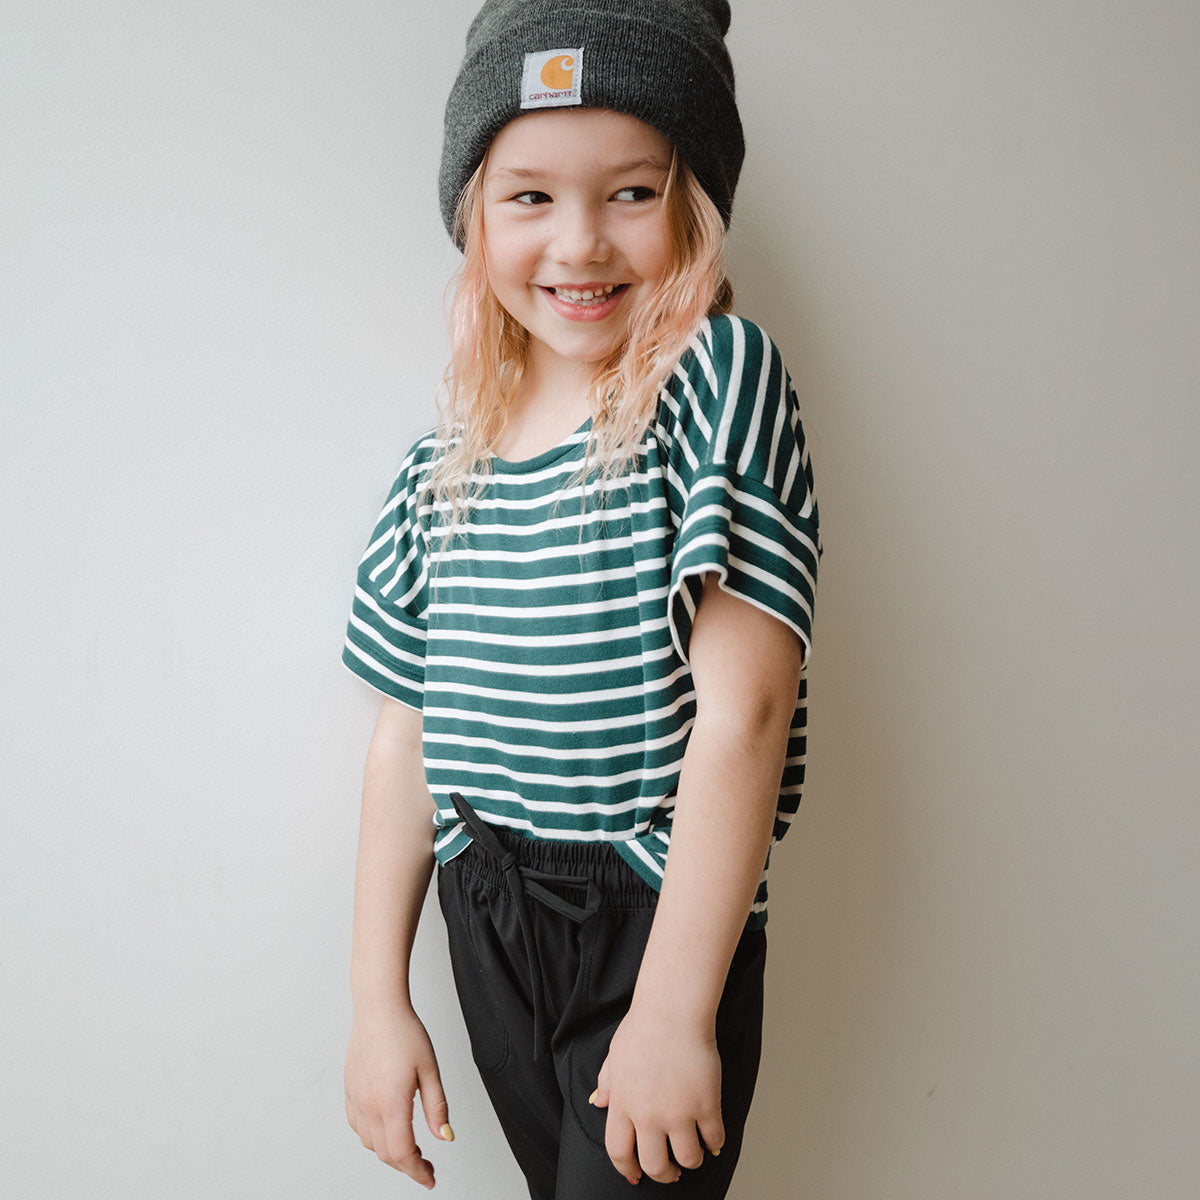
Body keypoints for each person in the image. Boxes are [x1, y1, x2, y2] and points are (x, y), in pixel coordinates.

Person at [340, 2, 822, 1196]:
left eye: (632, 192)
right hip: (486, 907)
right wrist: (377, 1001)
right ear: (474, 216)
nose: (579, 243)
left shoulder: (715, 380)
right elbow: (405, 736)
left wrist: (674, 1011)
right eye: (531, 196)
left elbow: (748, 713)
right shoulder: (442, 463)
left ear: (693, 204)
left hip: (648, 916)